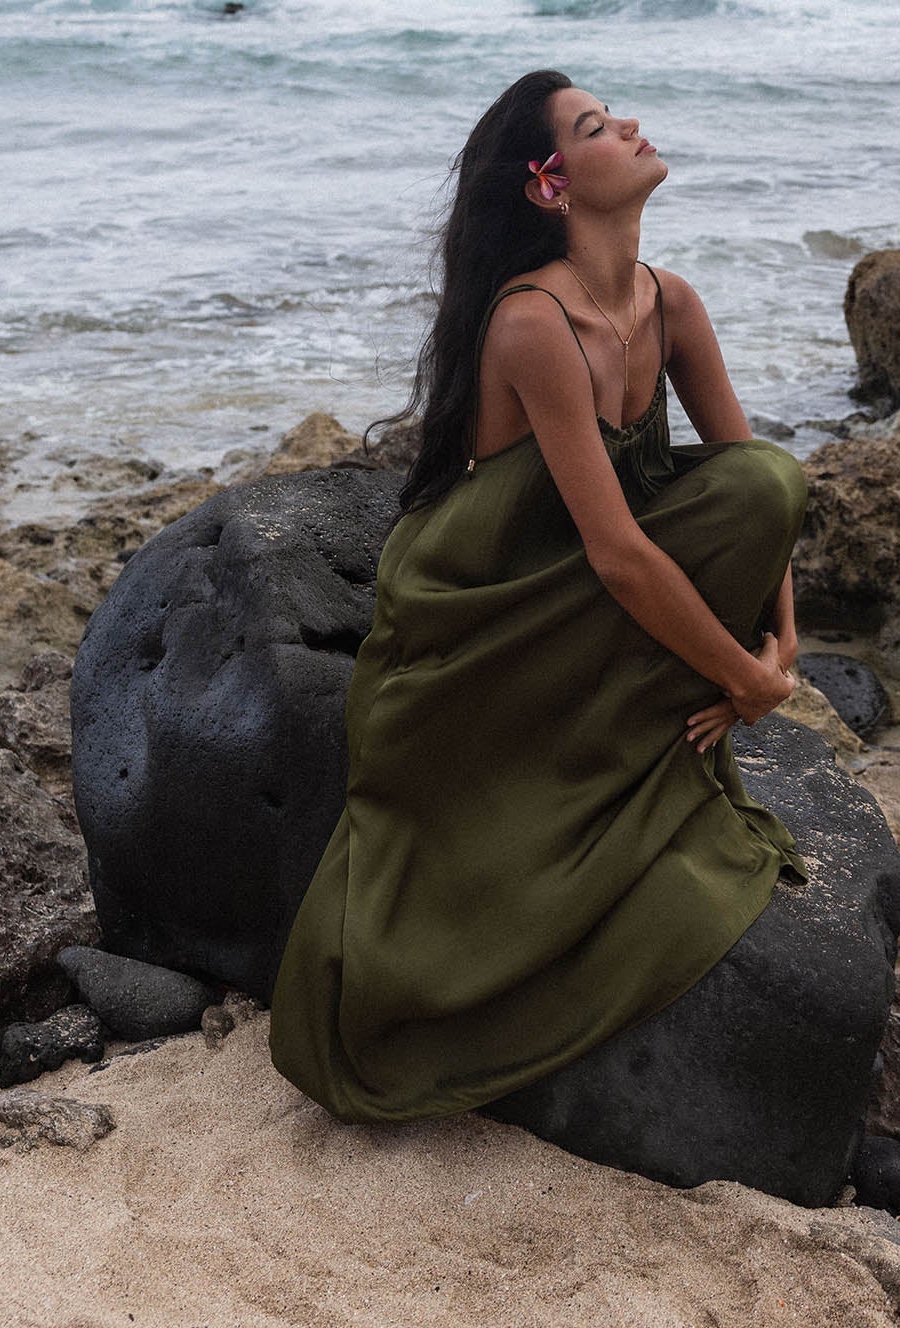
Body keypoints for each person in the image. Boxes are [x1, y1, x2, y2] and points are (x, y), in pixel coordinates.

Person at [267, 68, 811, 1123]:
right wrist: (740, 673)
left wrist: (782, 643)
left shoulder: (672, 301)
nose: (635, 125)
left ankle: (644, 718)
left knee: (765, 480)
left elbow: (755, 484)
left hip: (589, 589)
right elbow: (616, 551)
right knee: (733, 506)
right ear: (553, 187)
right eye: (600, 126)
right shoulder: (533, 323)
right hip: (486, 614)